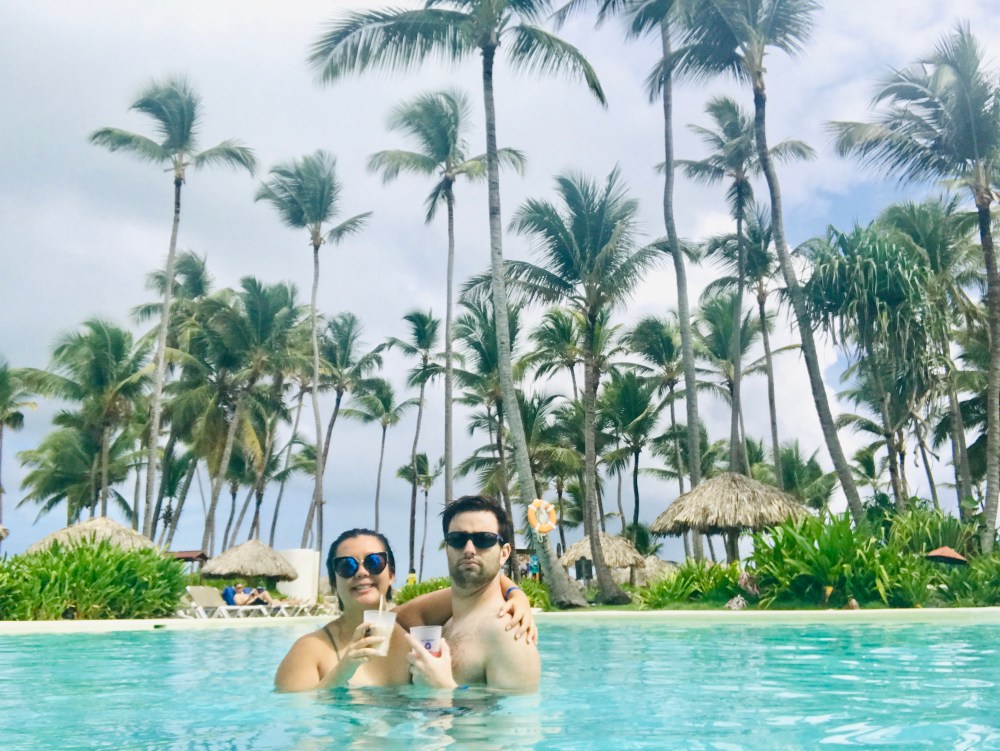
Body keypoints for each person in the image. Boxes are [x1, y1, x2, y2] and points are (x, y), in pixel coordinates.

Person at [274, 527, 534, 691]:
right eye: (346, 566)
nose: (361, 572)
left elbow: (480, 586)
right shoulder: (309, 650)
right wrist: (342, 672)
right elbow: (297, 721)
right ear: (334, 581)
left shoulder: (407, 620)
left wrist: (516, 595)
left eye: (374, 562)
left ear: (391, 575)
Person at [405, 495, 541, 692]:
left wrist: (443, 687)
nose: (469, 549)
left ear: (504, 553)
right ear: (447, 549)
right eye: (457, 539)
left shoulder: (509, 633)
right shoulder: (447, 622)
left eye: (483, 539)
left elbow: (518, 711)